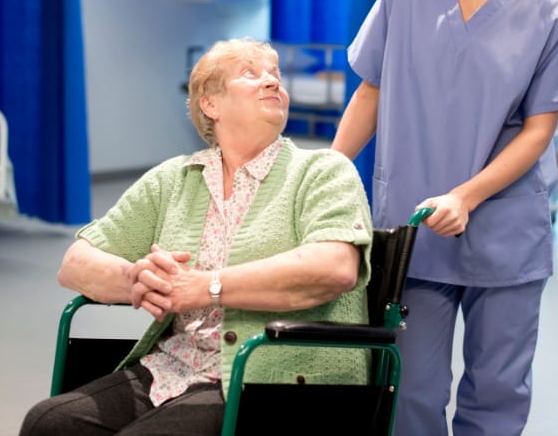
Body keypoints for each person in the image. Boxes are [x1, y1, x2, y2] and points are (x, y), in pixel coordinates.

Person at [331, 0, 558, 436]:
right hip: (413, 225)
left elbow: (537, 131)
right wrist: (327, 172)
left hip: (504, 228)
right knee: (411, 391)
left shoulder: (554, 14)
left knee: (497, 391)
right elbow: (370, 91)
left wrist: (467, 196)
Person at [20, 39, 373, 435]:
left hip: (275, 376)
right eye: (251, 74)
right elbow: (75, 264)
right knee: (48, 423)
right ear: (210, 104)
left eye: (275, 75)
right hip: (174, 366)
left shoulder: (322, 170)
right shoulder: (175, 179)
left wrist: (208, 287)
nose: (272, 82)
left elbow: (335, 268)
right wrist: (137, 279)